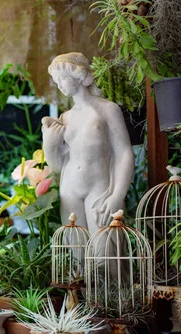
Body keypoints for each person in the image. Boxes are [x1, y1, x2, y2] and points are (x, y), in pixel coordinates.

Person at [42, 52, 134, 234]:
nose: (60, 85)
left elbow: (124, 153)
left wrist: (117, 195)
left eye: (63, 79)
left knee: (104, 252)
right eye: (56, 81)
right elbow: (58, 166)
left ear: (79, 76)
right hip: (69, 189)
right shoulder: (65, 118)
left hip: (99, 187)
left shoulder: (107, 109)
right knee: (77, 254)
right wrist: (49, 145)